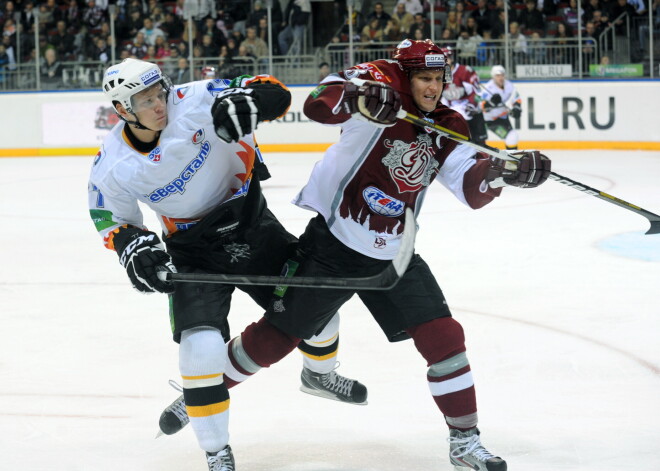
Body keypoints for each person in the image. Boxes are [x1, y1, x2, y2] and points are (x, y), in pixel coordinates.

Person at [164, 38, 550, 470]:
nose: (433, 88)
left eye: (439, 79)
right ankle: (203, 390)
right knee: (274, 340)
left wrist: (502, 174)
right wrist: (361, 97)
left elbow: (470, 188)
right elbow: (318, 103)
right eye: (424, 78)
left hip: (393, 255)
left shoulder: (447, 122)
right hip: (333, 246)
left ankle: (465, 442)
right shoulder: (378, 85)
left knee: (446, 339)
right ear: (405, 75)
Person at [89, 58, 365, 470]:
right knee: (199, 353)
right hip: (193, 252)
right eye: (145, 101)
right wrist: (132, 244)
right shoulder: (113, 164)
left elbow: (266, 86)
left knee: (321, 314)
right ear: (123, 110)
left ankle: (318, 375)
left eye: (158, 92)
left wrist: (261, 98)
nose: (159, 104)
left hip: (253, 225)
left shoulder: (195, 98)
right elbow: (109, 216)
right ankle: (217, 452)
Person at [440, 46, 489, 146]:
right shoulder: (441, 74)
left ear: (452, 58)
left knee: (480, 144)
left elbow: (477, 93)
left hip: (471, 109)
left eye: (447, 59)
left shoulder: (465, 71)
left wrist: (471, 106)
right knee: (458, 143)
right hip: (455, 112)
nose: (444, 62)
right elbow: (443, 96)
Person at [479, 65, 522, 150]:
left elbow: (516, 99)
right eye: (498, 75)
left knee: (512, 138)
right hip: (491, 121)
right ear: (493, 76)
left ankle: (512, 159)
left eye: (502, 75)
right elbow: (481, 107)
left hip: (503, 117)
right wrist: (491, 103)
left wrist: (517, 108)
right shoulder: (488, 88)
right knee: (511, 138)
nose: (501, 78)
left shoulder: (509, 85)